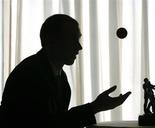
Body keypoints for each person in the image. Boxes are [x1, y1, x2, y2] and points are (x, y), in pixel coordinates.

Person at [0, 14, 131, 128]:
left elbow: (58, 121)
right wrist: (95, 107)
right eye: (73, 39)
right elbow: (48, 125)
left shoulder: (58, 76)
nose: (79, 47)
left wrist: (95, 107)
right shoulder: (29, 74)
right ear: (51, 41)